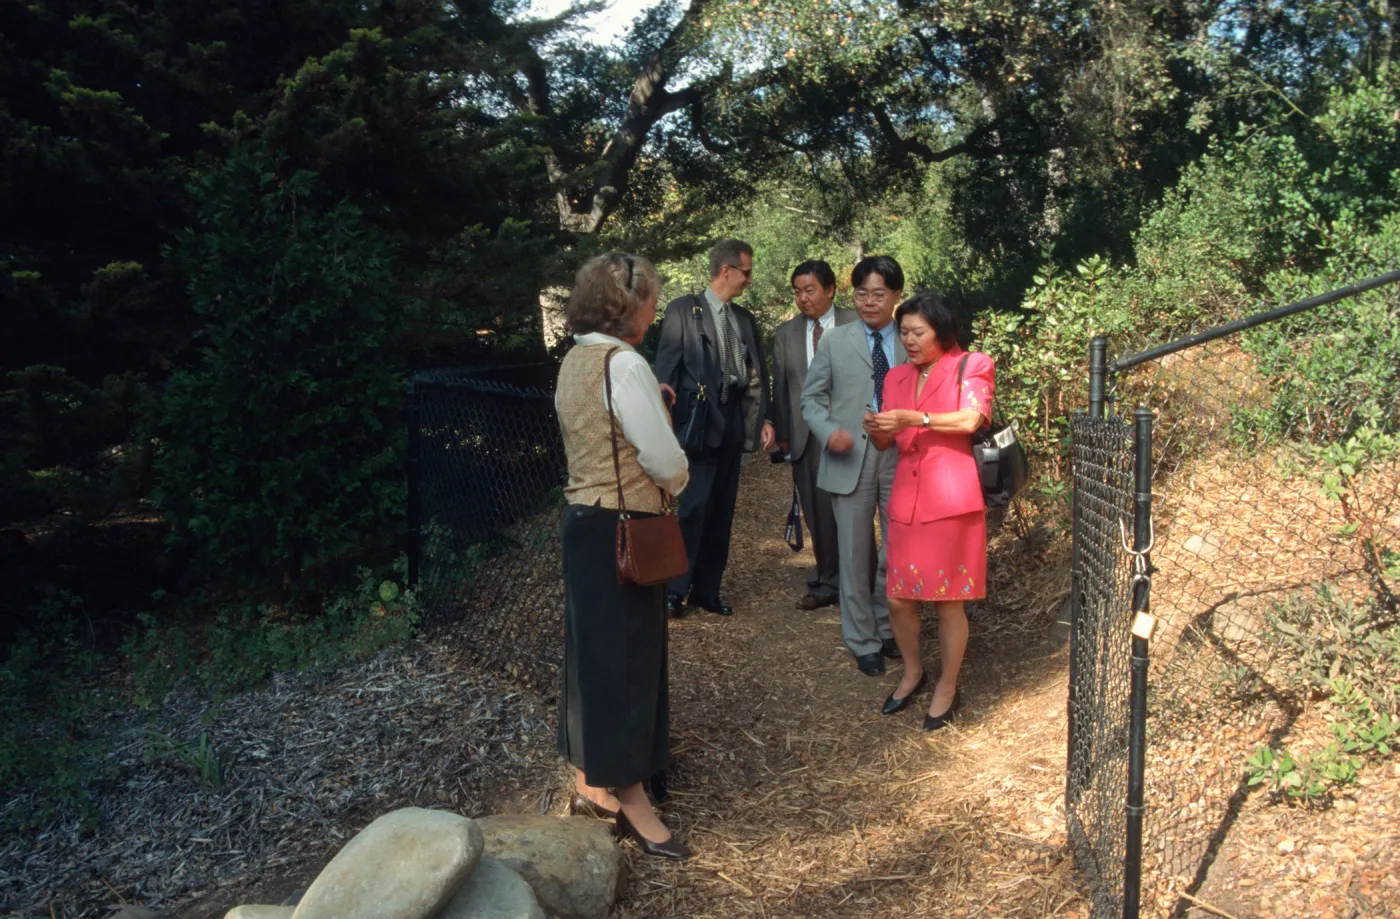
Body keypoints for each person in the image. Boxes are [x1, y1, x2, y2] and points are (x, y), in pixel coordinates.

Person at [554, 252, 693, 859]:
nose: (654, 310)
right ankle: (632, 796)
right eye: (651, 300)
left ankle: (590, 776)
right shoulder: (626, 364)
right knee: (629, 656)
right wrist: (676, 470)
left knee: (591, 652)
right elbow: (666, 464)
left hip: (583, 519)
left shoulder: (576, 359)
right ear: (629, 306)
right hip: (624, 525)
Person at [863, 291, 994, 731]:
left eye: (919, 332)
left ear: (943, 329)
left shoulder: (972, 364)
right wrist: (878, 430)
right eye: (904, 332)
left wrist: (915, 418)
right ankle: (914, 671)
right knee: (898, 597)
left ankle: (948, 685)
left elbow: (971, 420)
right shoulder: (896, 376)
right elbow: (891, 441)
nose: (910, 340)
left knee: (947, 602)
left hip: (951, 501)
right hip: (906, 500)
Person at [654, 238, 775, 617]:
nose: (749, 280)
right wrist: (665, 428)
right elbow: (665, 373)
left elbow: (759, 374)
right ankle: (675, 590)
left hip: (733, 421)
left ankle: (706, 591)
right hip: (697, 424)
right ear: (727, 271)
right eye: (747, 272)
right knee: (692, 508)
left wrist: (764, 419)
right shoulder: (682, 311)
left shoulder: (744, 320)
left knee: (722, 510)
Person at [800, 255, 907, 675]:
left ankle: (887, 628)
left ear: (896, 296)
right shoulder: (835, 341)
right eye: (861, 294)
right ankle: (862, 640)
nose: (868, 302)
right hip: (850, 457)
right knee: (855, 551)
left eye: (878, 294)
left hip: (900, 455)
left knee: (894, 553)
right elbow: (810, 399)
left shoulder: (911, 338)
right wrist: (829, 432)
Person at [769, 260, 858, 610]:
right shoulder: (786, 333)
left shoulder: (855, 322)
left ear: (831, 289)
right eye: (797, 292)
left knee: (855, 507)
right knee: (816, 511)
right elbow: (782, 387)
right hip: (807, 433)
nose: (803, 298)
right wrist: (783, 433)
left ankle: (859, 581)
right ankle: (827, 581)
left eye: (810, 290)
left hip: (852, 431)